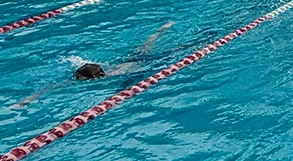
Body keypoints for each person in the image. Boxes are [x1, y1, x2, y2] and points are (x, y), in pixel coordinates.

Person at [15, 22, 176, 107]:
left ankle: (162, 31)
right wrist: (29, 98)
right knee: (147, 43)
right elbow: (55, 86)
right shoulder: (103, 71)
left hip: (143, 62)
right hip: (129, 60)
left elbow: (137, 74)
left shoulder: (113, 76)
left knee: (172, 49)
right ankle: (161, 30)